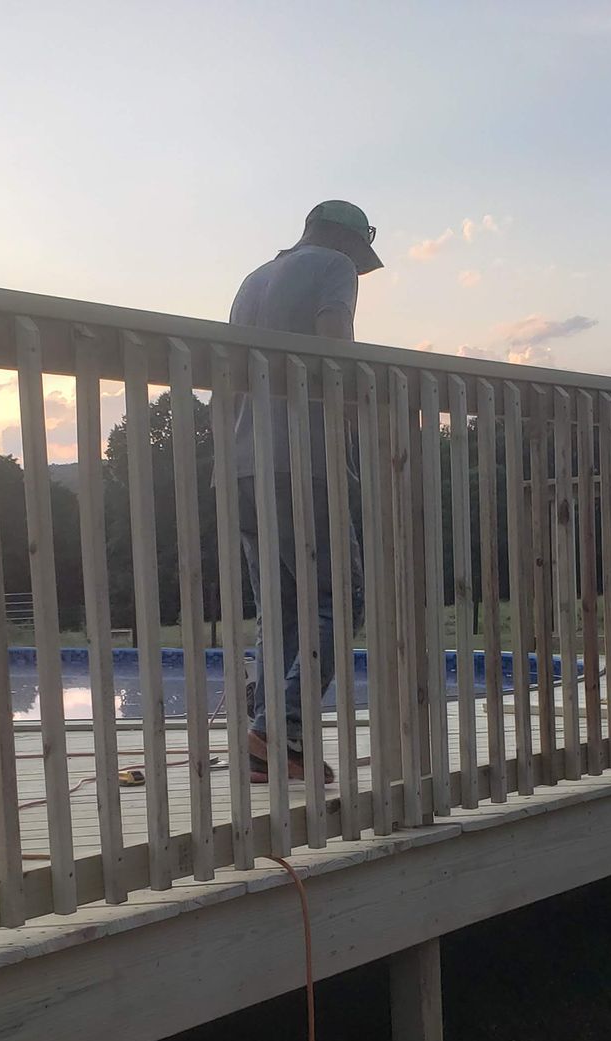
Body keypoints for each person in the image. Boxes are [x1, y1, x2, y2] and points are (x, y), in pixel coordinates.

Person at [229, 200, 381, 783]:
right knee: (342, 598)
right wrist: (356, 431)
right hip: (303, 462)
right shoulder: (332, 266)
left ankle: (268, 748)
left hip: (243, 465)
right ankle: (280, 728)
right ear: (348, 241)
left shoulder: (254, 279)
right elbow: (335, 351)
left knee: (281, 608)